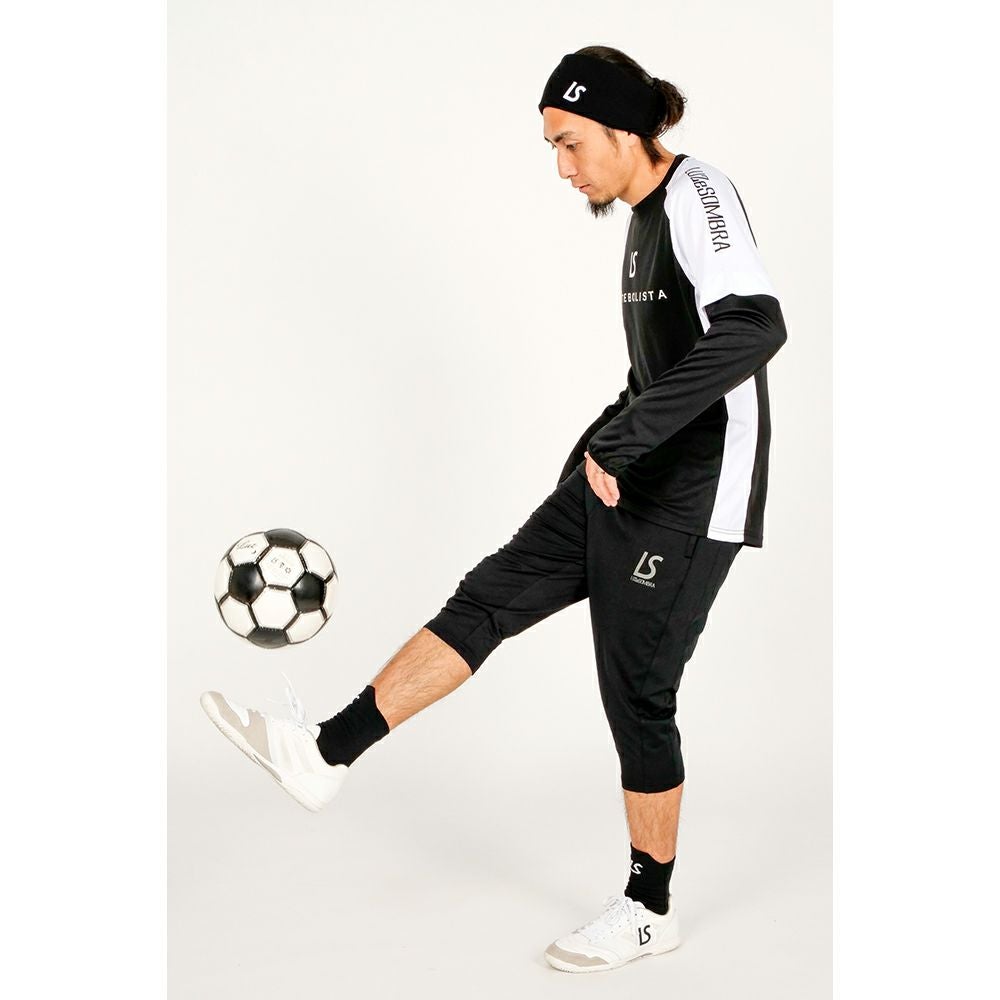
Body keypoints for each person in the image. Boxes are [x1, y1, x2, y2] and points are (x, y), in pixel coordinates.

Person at [200, 44, 787, 974]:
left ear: (625, 129)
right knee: (489, 596)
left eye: (570, 142)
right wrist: (602, 439)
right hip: (624, 470)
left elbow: (755, 326)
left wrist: (628, 442)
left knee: (638, 691)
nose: (562, 167)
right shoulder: (640, 218)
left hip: (693, 491)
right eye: (552, 147)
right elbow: (659, 368)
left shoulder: (695, 194)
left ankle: (648, 907)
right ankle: (324, 754)